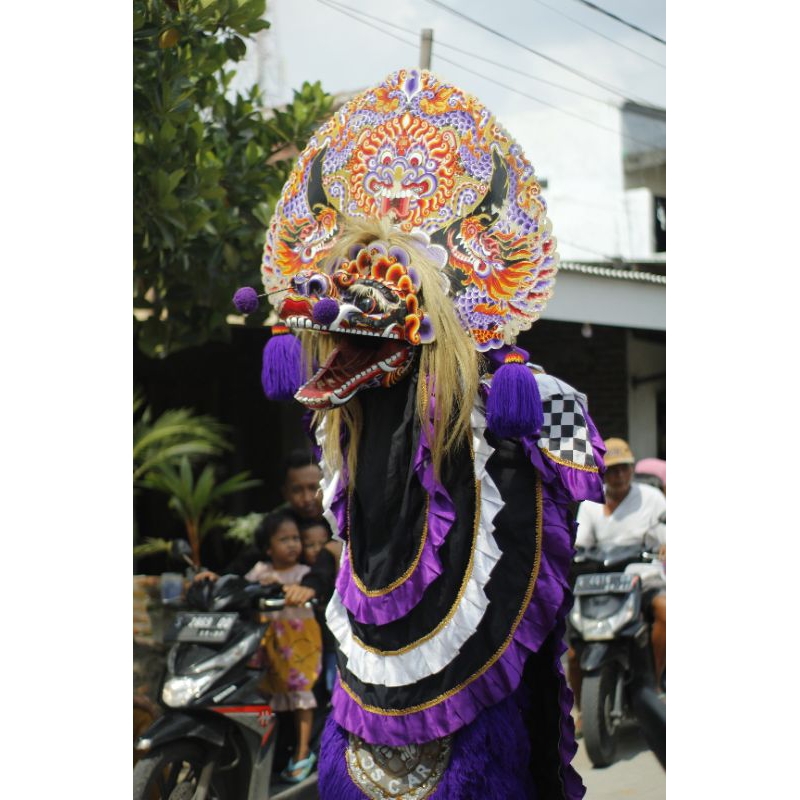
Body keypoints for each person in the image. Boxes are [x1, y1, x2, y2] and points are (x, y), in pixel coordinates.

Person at [568, 438, 666, 725]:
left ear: (632, 469)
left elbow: (667, 534)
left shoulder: (652, 497)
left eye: (623, 468)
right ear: (602, 473)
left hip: (643, 578)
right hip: (599, 584)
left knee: (666, 613)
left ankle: (654, 683)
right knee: (573, 650)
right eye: (612, 470)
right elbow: (580, 544)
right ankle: (582, 710)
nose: (619, 475)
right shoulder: (591, 503)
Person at [243, 510, 323, 784]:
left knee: (301, 696)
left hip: (300, 646)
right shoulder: (260, 572)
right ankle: (266, 754)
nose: (292, 545)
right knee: (267, 698)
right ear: (268, 547)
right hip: (269, 646)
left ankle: (302, 753)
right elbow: (243, 589)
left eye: (295, 538)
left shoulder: (305, 574)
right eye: (283, 539)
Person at [299, 518, 341, 699]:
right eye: (310, 545)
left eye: (323, 543)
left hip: (332, 643)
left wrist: (337, 557)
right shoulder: (300, 574)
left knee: (334, 687)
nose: (318, 549)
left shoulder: (333, 565)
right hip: (305, 646)